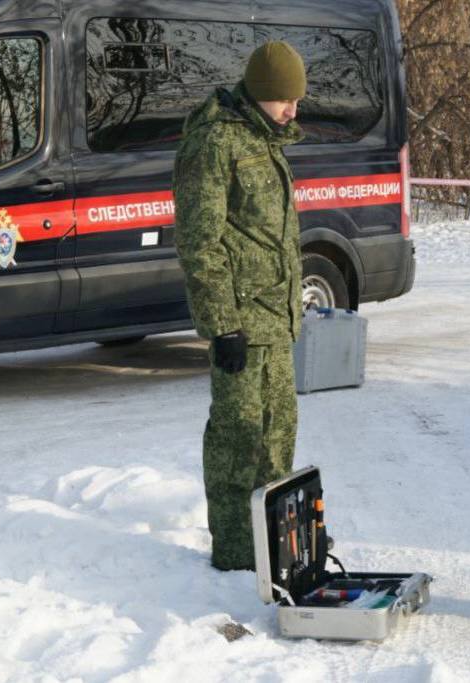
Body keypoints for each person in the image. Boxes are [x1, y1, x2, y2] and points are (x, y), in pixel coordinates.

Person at [173, 41, 306, 571]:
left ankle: (275, 543)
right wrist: (221, 326)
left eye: (297, 99)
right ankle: (234, 553)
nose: (293, 110)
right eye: (284, 100)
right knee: (237, 439)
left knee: (277, 438)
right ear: (259, 93)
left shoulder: (264, 138)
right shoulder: (215, 143)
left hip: (276, 321)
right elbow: (199, 242)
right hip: (243, 324)